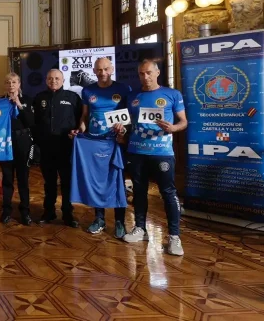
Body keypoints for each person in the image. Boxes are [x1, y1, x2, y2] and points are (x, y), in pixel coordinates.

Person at [122, 60, 188, 256]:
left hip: (162, 153)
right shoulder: (132, 96)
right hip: (136, 151)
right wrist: (121, 132)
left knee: (168, 193)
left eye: (149, 73)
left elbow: (183, 122)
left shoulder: (172, 94)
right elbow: (127, 124)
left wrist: (173, 128)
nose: (145, 77)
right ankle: (140, 228)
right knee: (139, 191)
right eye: (141, 73)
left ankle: (174, 237)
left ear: (157, 72)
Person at [73, 57, 131, 238]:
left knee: (117, 181)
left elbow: (129, 117)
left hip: (115, 143)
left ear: (112, 68)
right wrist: (80, 130)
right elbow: (84, 116)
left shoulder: (123, 89)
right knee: (97, 179)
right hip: (93, 142)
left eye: (106, 69)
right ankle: (99, 219)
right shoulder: (88, 90)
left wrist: (124, 131)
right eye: (99, 70)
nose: (103, 73)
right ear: (94, 70)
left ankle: (120, 221)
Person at [33, 69, 82, 227]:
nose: (53, 81)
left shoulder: (73, 97)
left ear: (63, 80)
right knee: (49, 182)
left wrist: (77, 131)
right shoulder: (39, 98)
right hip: (46, 148)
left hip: (66, 147)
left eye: (57, 78)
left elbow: (81, 119)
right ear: (46, 80)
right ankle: (49, 212)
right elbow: (34, 122)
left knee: (67, 182)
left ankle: (68, 214)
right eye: (50, 78)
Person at [0, 73, 34, 225]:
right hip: (5, 143)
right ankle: (6, 211)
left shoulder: (27, 100)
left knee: (23, 180)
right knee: (7, 179)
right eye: (8, 82)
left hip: (22, 142)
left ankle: (25, 211)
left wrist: (19, 104)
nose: (11, 85)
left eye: (14, 82)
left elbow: (31, 122)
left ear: (19, 84)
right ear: (5, 85)